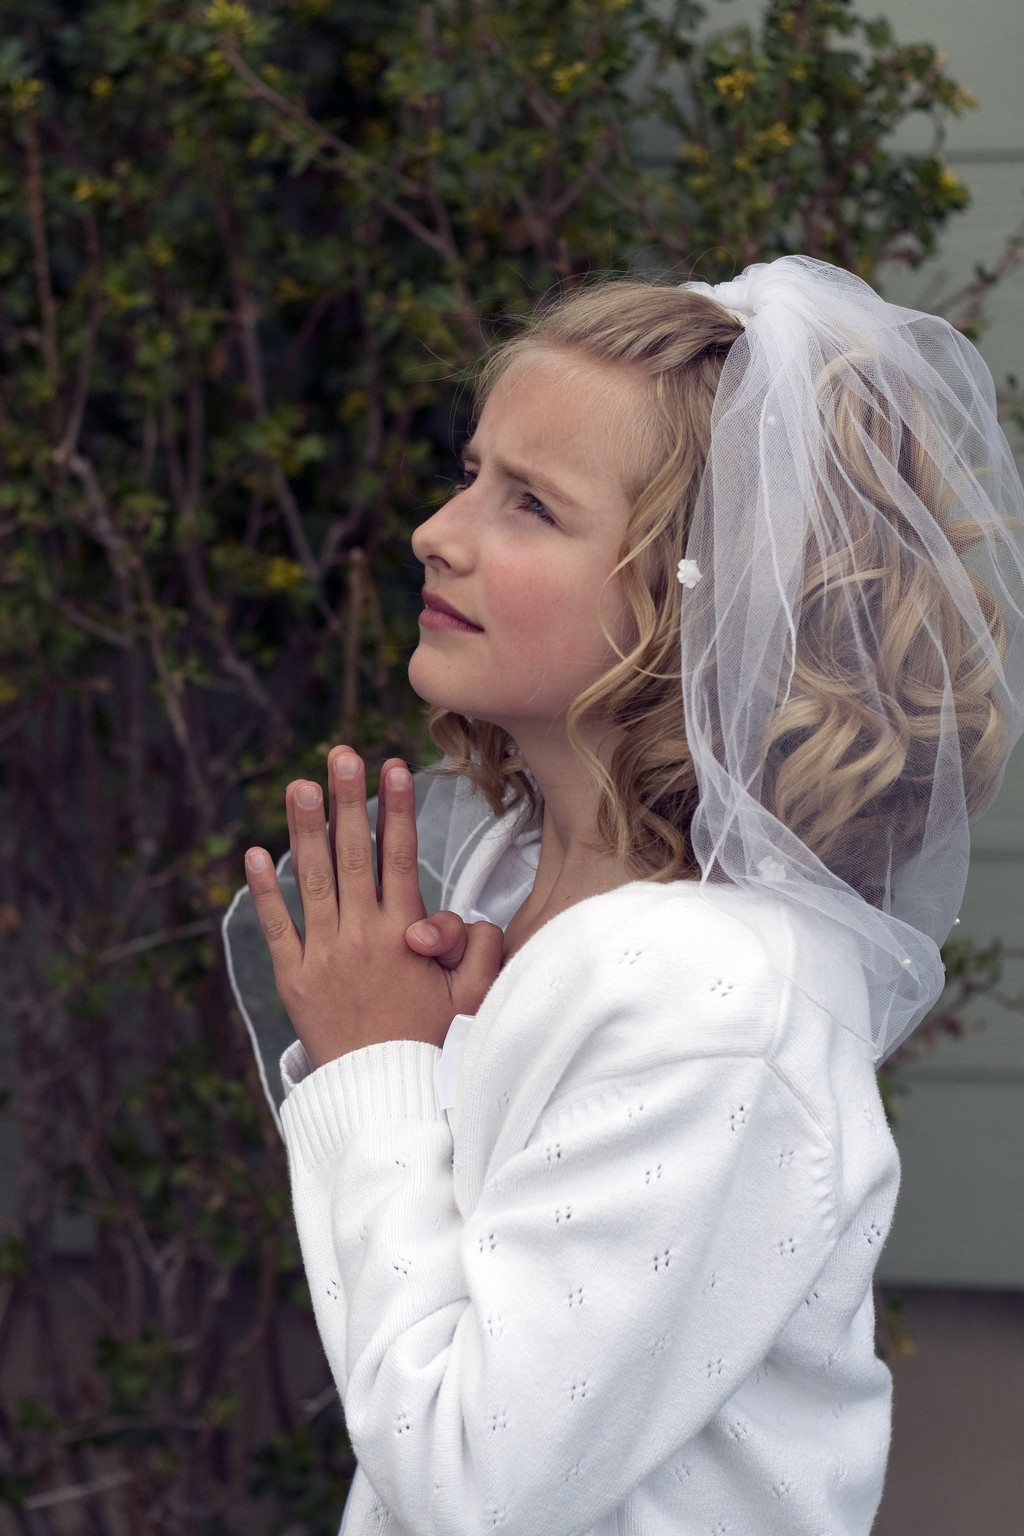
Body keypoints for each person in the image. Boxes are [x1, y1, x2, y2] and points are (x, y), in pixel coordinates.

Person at [226, 256, 1024, 1535]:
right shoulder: (509, 879)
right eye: (471, 471)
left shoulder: (716, 999)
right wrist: (438, 1056)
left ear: (697, 594)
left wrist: (376, 1066)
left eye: (530, 505)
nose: (438, 530)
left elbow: (475, 1480)